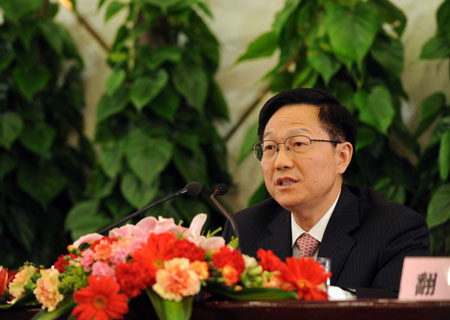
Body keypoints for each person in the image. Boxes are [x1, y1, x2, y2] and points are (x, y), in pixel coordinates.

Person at [222, 88, 430, 299]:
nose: (280, 162)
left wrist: (322, 295)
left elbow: (400, 307)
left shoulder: (395, 229)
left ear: (341, 157)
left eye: (299, 144)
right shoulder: (244, 228)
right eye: (269, 147)